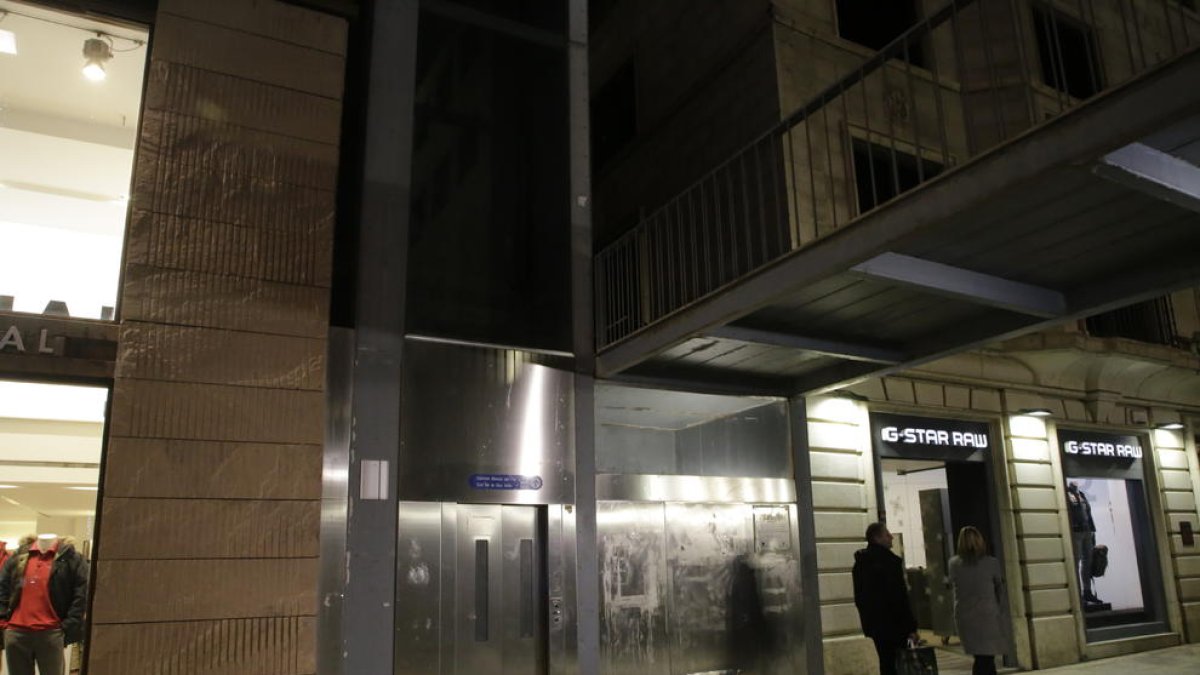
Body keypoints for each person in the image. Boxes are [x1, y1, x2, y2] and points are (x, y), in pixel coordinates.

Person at [0, 534, 89, 675]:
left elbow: (81, 595)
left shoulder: (71, 558)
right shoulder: (18, 556)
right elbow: (3, 586)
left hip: (51, 632)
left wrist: (68, 625)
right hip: (16, 633)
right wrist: (4, 620)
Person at [853, 522, 917, 675]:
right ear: (877, 538)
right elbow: (899, 598)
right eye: (887, 534)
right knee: (899, 663)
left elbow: (860, 598)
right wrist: (911, 627)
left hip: (875, 625)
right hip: (895, 625)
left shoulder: (861, 563)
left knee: (886, 662)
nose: (891, 537)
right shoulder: (889, 563)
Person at [948, 526, 1011, 675]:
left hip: (965, 616)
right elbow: (1000, 589)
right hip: (987, 615)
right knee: (986, 658)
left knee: (981, 657)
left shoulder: (954, 563)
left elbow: (952, 585)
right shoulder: (991, 563)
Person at [1066, 481, 1102, 605]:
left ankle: (1087, 592)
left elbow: (1088, 514)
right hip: (1076, 532)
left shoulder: (1081, 494)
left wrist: (1092, 531)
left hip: (1087, 531)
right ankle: (1077, 594)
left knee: (1088, 561)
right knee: (1077, 561)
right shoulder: (1066, 494)